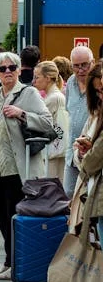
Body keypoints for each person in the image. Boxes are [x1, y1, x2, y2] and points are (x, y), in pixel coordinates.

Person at [0, 51, 54, 281]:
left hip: (18, 168)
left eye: (12, 67)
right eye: (2, 68)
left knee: (16, 216)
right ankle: (10, 261)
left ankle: (18, 264)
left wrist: (22, 113)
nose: (7, 72)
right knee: (3, 218)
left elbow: (48, 123)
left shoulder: (28, 93)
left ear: (18, 70)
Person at [71, 62, 103, 240]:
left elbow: (93, 161)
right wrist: (82, 152)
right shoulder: (94, 115)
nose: (100, 95)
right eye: (97, 91)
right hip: (90, 189)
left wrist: (89, 154)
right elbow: (83, 157)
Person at [64, 45, 95, 197]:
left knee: (89, 196)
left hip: (91, 150)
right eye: (76, 66)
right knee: (69, 194)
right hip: (72, 150)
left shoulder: (98, 85)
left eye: (85, 64)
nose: (80, 69)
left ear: (93, 62)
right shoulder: (70, 82)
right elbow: (68, 110)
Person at [33, 61, 68, 181]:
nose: (34, 80)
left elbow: (39, 122)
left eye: (37, 77)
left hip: (53, 150)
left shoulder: (53, 98)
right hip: (55, 149)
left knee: (51, 188)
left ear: (47, 78)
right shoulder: (55, 96)